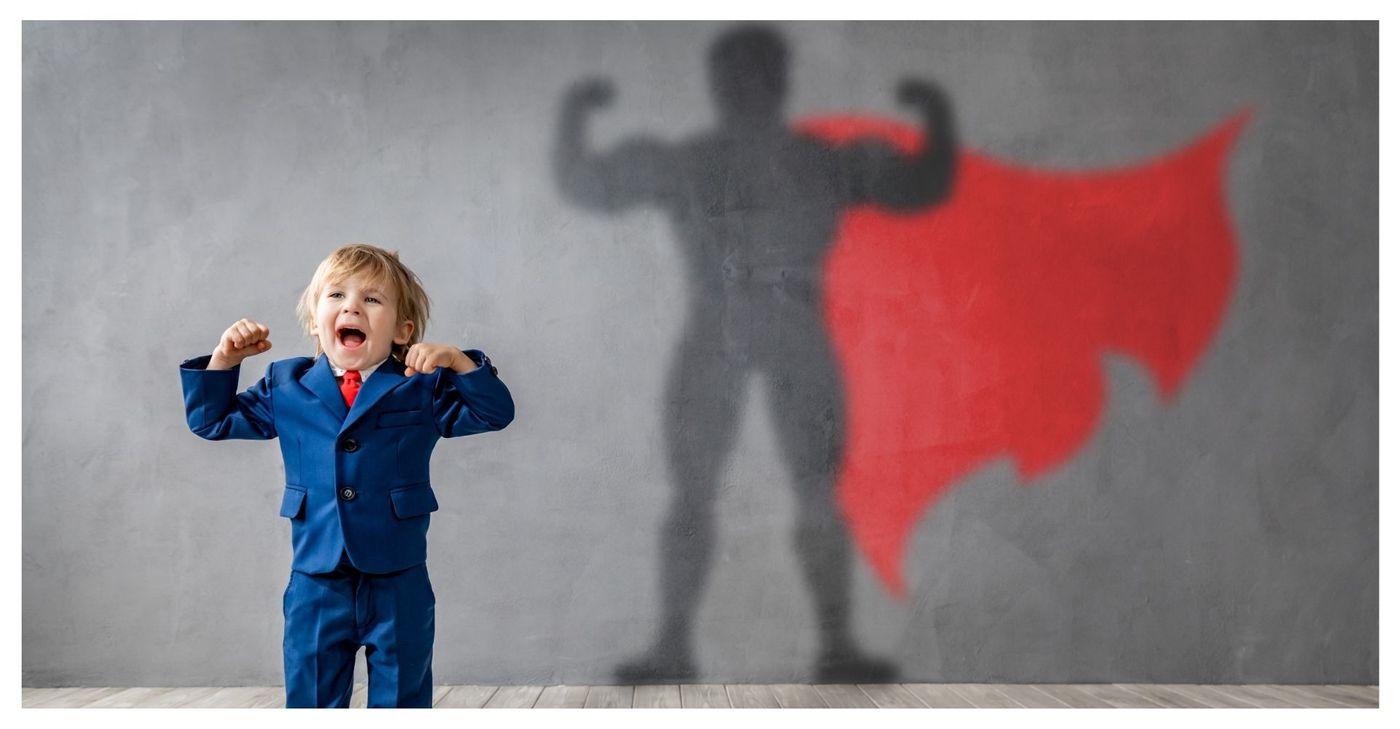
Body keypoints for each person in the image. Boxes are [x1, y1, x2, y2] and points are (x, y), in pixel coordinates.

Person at [555, 24, 956, 682]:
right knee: (704, 493)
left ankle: (826, 644)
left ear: (774, 83)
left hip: (779, 324)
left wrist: (936, 111)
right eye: (735, 75)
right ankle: (682, 644)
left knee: (810, 491)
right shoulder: (717, 162)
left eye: (752, 75)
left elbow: (923, 184)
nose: (743, 87)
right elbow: (586, 183)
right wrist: (574, 115)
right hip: (728, 323)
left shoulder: (813, 161)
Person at [179, 243, 514, 707]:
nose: (352, 305)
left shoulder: (422, 386)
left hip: (398, 577)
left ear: (403, 331)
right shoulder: (286, 385)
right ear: (315, 320)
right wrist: (225, 361)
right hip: (316, 577)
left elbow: (495, 413)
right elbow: (210, 421)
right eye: (335, 295)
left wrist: (458, 362)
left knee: (403, 700)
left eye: (372, 299)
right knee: (312, 699)